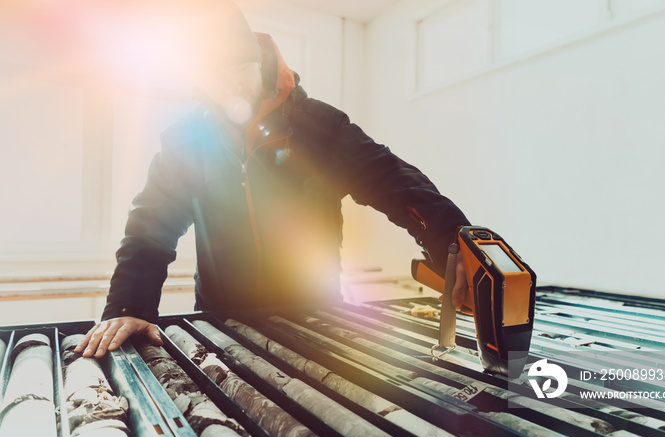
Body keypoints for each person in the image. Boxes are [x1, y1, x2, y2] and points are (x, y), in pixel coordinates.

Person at [76, 0, 469, 358]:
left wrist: (454, 240)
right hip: (223, 322)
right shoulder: (186, 141)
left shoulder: (319, 126)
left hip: (316, 317)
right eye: (214, 76)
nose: (228, 87)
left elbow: (391, 179)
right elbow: (149, 229)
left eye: (237, 71)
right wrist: (128, 308)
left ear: (258, 62)